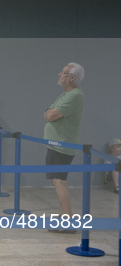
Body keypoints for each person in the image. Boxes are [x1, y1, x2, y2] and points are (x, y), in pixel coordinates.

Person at [43, 62, 85, 228]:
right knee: (56, 180)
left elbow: (51, 114)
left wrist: (49, 113)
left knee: (59, 180)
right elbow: (48, 112)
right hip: (54, 145)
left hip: (62, 145)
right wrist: (49, 113)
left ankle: (67, 217)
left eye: (63, 73)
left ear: (72, 77)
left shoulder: (75, 96)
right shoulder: (65, 95)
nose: (59, 75)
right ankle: (65, 215)